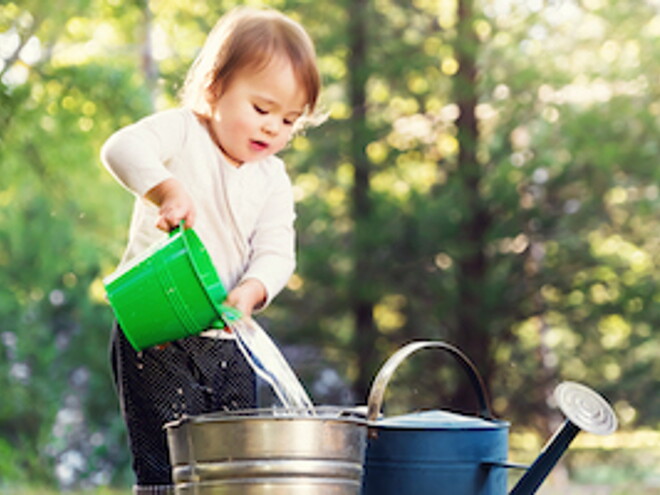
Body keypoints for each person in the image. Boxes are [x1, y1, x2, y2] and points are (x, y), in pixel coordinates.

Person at [100, 7, 321, 494]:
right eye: (262, 110)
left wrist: (251, 291)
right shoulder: (182, 132)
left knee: (232, 464)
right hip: (156, 329)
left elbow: (277, 249)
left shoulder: (272, 178)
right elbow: (120, 148)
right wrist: (166, 190)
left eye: (288, 120)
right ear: (214, 87)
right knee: (169, 463)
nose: (272, 129)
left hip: (228, 337)